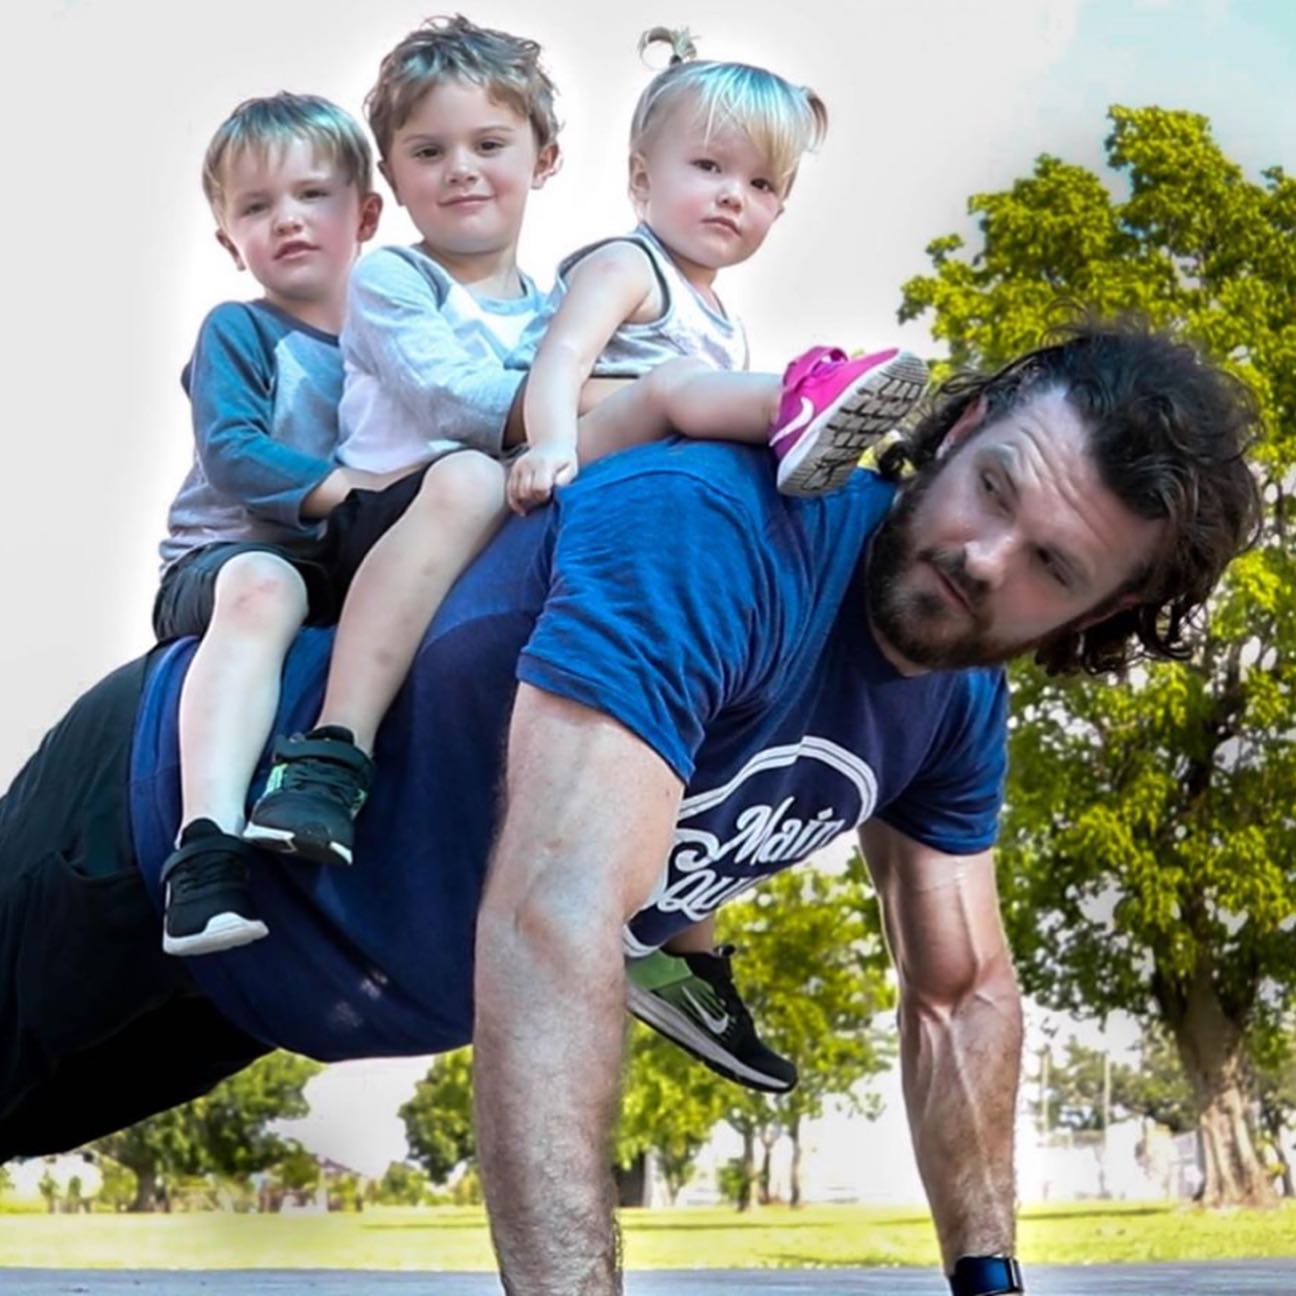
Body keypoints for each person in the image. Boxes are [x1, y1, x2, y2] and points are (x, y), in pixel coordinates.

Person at [0, 322, 1262, 1296]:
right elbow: (555, 916)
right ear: (961, 425)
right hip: (141, 830)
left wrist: (986, 1277)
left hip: (276, 985)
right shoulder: (718, 530)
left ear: (1092, 618)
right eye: (995, 490)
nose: (985, 557)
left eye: (1052, 566)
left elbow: (960, 991)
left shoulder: (954, 710)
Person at [239, 21, 925, 1093]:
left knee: (705, 677)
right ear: (640, 176)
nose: (732, 196)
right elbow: (524, 385)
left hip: (579, 490)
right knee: (661, 401)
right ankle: (333, 747)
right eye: (709, 168)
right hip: (436, 494)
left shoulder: (694, 310)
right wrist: (557, 437)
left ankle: (678, 943)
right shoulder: (581, 267)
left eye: (760, 184)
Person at [150, 93, 396, 957]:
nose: (286, 220)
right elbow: (235, 453)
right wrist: (357, 491)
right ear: (231, 241)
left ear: (364, 211)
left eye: (311, 195)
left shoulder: (399, 337)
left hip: (341, 563)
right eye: (257, 207)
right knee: (266, 585)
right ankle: (204, 852)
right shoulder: (241, 330)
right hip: (227, 560)